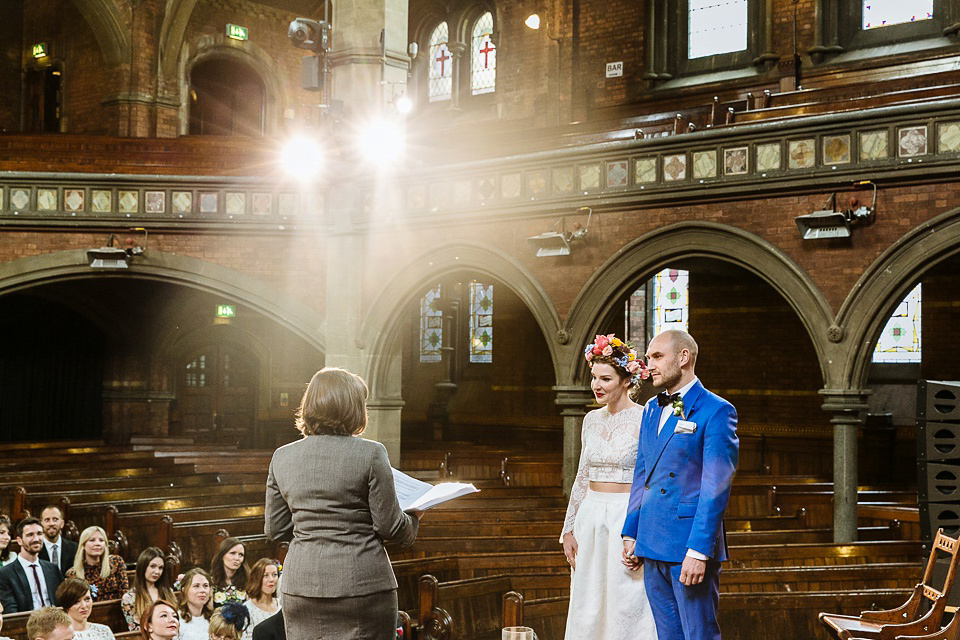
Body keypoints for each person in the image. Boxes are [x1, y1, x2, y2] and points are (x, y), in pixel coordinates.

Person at [265, 367, 420, 640]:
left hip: (301, 584)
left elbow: (275, 529)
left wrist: (313, 536)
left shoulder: (282, 457)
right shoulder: (371, 453)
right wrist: (415, 516)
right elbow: (389, 526)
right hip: (361, 585)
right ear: (353, 409)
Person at [622, 330, 739, 640]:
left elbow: (715, 488)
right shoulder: (651, 407)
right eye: (647, 358)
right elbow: (642, 474)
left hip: (688, 545)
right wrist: (631, 530)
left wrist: (699, 551)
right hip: (651, 540)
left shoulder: (717, 410)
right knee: (667, 635)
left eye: (657, 357)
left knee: (698, 635)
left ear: (683, 357)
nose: (649, 365)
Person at [560, 334, 657, 640]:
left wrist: (640, 529)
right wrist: (569, 528)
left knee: (626, 601)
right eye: (594, 378)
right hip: (591, 516)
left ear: (627, 380)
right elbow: (581, 476)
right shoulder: (590, 420)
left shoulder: (646, 419)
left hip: (625, 517)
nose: (597, 385)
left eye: (606, 378)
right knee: (589, 602)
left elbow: (651, 480)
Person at [0, 517, 63, 612]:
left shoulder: (52, 569)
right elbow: (10, 611)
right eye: (30, 535)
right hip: (25, 624)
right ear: (19, 540)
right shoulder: (6, 573)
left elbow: (62, 601)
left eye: (39, 534)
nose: (36, 539)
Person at [66, 527, 128, 602]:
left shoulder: (116, 562)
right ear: (83, 545)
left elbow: (124, 594)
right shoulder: (73, 573)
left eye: (101, 540)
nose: (97, 544)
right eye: (92, 540)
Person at [122, 547, 177, 631]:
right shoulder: (129, 598)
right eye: (152, 566)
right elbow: (134, 630)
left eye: (160, 568)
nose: (157, 572)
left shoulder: (168, 592)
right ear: (143, 567)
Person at [240, 559, 279, 640]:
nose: (271, 579)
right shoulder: (246, 609)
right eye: (266, 575)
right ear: (256, 578)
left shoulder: (282, 605)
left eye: (274, 575)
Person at [38, 507, 78, 575]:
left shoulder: (74, 547)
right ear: (41, 524)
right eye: (47, 520)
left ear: (62, 523)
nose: (51, 523)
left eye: (55, 519)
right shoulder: (36, 549)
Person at [176, 568, 213, 640]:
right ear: (184, 590)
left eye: (205, 586)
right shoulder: (177, 619)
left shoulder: (213, 618)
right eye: (196, 586)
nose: (202, 590)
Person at [209, 539, 248, 607]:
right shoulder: (211, 583)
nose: (237, 558)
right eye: (232, 553)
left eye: (240, 555)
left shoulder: (247, 582)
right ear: (222, 556)